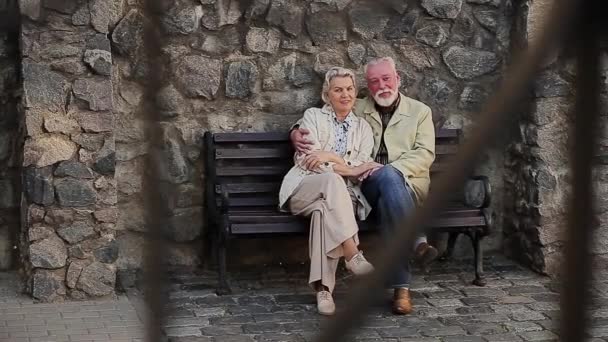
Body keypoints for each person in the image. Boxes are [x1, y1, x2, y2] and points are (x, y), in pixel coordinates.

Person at [290, 57, 437, 315]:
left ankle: (399, 288)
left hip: (405, 186)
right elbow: (324, 113)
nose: (382, 85)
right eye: (374, 81)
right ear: (367, 87)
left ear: (398, 79)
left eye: (387, 79)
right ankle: (412, 246)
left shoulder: (420, 112)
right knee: (347, 186)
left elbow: (425, 154)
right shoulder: (357, 105)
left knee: (387, 186)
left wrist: (391, 170)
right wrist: (294, 132)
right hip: (362, 183)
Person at [279, 67, 381, 316]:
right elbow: (307, 160)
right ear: (327, 94)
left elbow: (361, 168)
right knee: (332, 180)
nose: (345, 95)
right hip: (303, 188)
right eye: (338, 90)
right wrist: (342, 167)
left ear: (355, 93)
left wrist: (329, 156)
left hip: (338, 200)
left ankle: (323, 290)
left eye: (349, 89)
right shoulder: (313, 116)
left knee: (323, 212)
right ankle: (352, 251)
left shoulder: (364, 128)